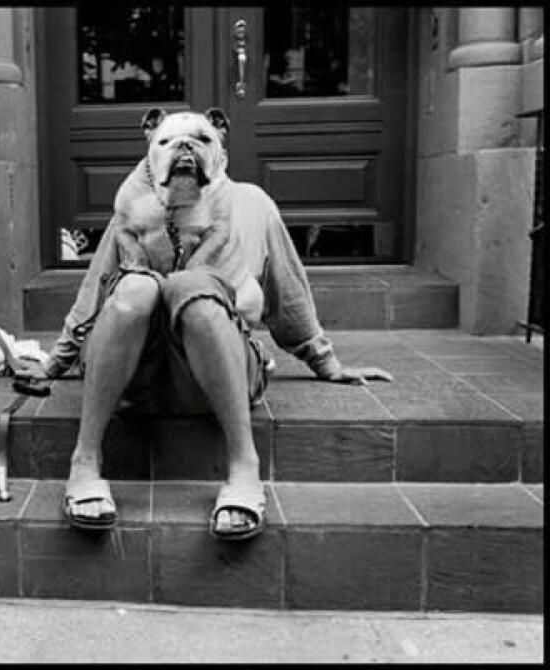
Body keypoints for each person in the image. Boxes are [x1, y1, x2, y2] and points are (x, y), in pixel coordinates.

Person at [39, 107, 392, 540]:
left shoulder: (252, 204)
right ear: (150, 153)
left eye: (201, 140)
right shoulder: (133, 208)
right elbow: (93, 293)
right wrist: (53, 364)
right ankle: (85, 459)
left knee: (196, 290)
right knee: (133, 290)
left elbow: (288, 292)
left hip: (215, 371)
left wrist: (326, 361)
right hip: (137, 377)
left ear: (221, 151)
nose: (185, 149)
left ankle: (244, 464)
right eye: (169, 142)